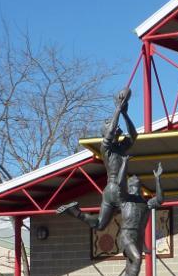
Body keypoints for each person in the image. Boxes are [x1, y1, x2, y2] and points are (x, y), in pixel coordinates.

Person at [56, 88, 137, 230]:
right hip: (117, 188)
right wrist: (118, 109)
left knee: (100, 225)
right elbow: (111, 131)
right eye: (108, 122)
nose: (112, 123)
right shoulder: (106, 147)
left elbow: (134, 134)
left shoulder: (120, 147)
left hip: (109, 192)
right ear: (105, 132)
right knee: (136, 212)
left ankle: (76, 212)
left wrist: (125, 114)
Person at [118, 163, 164, 276]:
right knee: (137, 259)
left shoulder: (144, 203)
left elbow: (160, 199)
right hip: (126, 235)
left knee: (129, 269)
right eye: (133, 185)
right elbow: (119, 184)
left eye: (138, 185)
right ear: (129, 186)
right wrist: (124, 164)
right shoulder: (124, 200)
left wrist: (157, 179)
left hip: (138, 237)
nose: (136, 188)